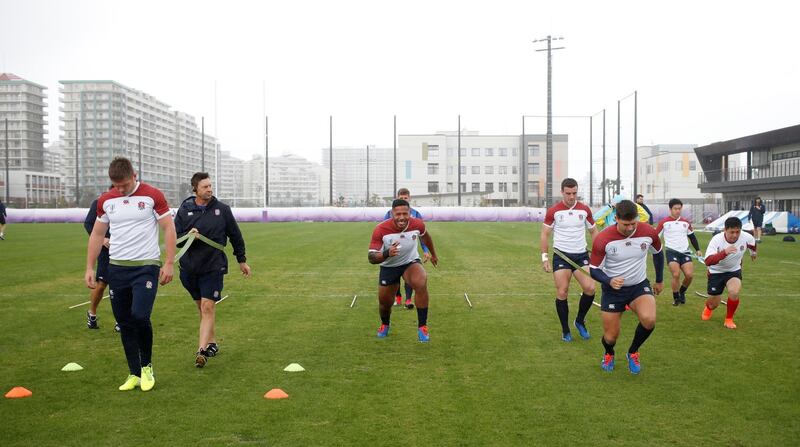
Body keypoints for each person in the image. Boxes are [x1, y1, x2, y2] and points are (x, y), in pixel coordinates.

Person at [85, 157, 176, 392]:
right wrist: (89, 267)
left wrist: (168, 263)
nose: (121, 189)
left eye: (124, 184)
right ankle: (134, 373)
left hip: (145, 266)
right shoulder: (106, 201)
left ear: (134, 175)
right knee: (124, 322)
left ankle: (147, 367)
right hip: (117, 268)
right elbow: (97, 234)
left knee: (140, 316)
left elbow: (168, 227)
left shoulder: (152, 195)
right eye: (116, 185)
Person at [174, 173, 250, 368]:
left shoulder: (222, 210)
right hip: (189, 267)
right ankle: (212, 342)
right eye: (205, 187)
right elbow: (174, 238)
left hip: (213, 266)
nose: (209, 189)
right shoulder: (185, 209)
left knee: (208, 307)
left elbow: (235, 235)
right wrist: (187, 235)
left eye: (210, 186)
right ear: (195, 190)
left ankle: (201, 351)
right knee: (203, 308)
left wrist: (241, 260)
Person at [589, 200, 664, 374]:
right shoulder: (603, 239)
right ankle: (609, 353)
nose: (631, 228)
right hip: (613, 291)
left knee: (649, 319)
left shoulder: (648, 232)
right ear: (616, 219)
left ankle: (633, 352)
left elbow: (658, 253)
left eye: (633, 223)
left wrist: (659, 280)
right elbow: (594, 270)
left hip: (638, 286)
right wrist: (609, 280)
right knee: (610, 337)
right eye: (626, 224)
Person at [369, 199, 439, 342]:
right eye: (398, 214)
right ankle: (385, 324)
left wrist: (433, 254)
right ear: (392, 213)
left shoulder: (417, 224)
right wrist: (387, 253)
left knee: (421, 281)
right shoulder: (381, 229)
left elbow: (426, 237)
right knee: (385, 303)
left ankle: (422, 327)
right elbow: (371, 257)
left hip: (410, 262)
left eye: (405, 214)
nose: (401, 217)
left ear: (410, 213)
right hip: (389, 266)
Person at [540, 178, 598, 342]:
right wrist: (544, 257)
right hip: (562, 256)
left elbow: (594, 231)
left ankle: (579, 321)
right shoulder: (554, 211)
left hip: (581, 256)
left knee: (590, 288)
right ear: (562, 192)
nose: (572, 197)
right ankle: (565, 330)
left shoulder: (584, 210)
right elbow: (544, 234)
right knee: (562, 291)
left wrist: (598, 253)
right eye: (568, 193)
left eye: (574, 193)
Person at [701, 217, 756, 329]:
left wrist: (753, 253)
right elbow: (708, 261)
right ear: (725, 230)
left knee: (734, 292)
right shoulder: (717, 240)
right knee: (713, 304)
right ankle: (708, 308)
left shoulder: (747, 237)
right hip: (716, 272)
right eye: (732, 232)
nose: (735, 235)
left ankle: (729, 319)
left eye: (737, 232)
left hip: (733, 271)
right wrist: (724, 252)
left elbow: (752, 245)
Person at [383, 188, 430, 309]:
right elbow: (384, 232)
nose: (403, 200)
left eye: (405, 198)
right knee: (396, 275)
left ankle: (408, 300)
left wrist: (425, 250)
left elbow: (422, 234)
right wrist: (386, 251)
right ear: (397, 198)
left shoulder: (416, 214)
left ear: (409, 198)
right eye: (401, 198)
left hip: (410, 251)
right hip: (395, 249)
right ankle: (397, 298)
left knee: (410, 277)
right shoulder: (389, 214)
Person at [654, 198, 702, 306]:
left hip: (685, 252)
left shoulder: (685, 222)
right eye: (675, 208)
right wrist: (656, 249)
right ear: (670, 209)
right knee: (676, 274)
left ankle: (682, 292)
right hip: (671, 252)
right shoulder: (664, 222)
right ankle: (676, 298)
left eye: (679, 208)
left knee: (689, 275)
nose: (678, 211)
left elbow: (692, 237)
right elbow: (656, 237)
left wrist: (698, 249)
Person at [83, 191, 119, 331]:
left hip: (124, 250)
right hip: (105, 251)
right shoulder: (99, 203)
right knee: (102, 284)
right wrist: (103, 239)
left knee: (121, 285)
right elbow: (88, 224)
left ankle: (120, 320)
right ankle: (92, 313)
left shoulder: (129, 203)